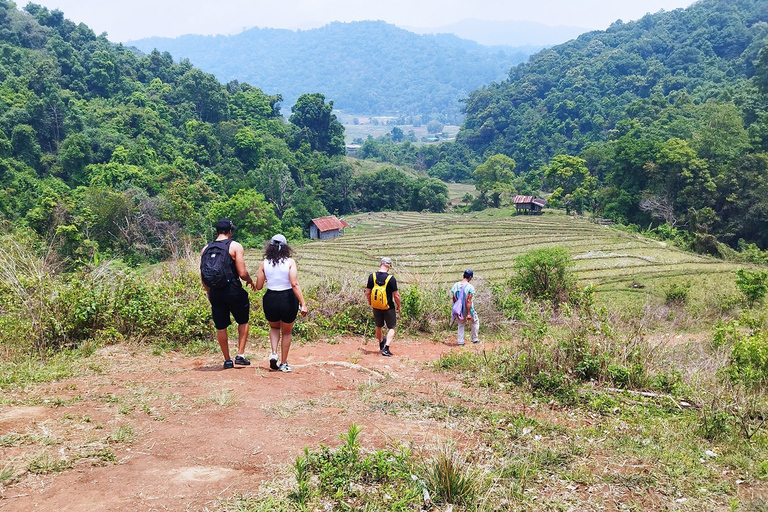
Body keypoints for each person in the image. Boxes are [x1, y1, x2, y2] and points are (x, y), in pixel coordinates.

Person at [200, 219, 256, 369]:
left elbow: (203, 275)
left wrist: (208, 292)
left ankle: (227, 360)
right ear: (230, 231)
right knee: (243, 321)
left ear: (217, 231)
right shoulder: (235, 246)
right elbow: (242, 273)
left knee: (221, 326)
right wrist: (250, 280)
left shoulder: (206, 249)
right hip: (232, 289)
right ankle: (240, 355)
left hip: (215, 292)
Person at [256, 234, 308, 373]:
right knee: (286, 332)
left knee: (274, 328)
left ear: (270, 247)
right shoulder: (290, 262)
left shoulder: (264, 263)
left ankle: (274, 353)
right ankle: (284, 363)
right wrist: (303, 303)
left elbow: (259, 286)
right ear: (286, 247)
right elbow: (294, 284)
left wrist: (267, 278)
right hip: (288, 298)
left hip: (270, 298)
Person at [365, 257, 401, 357]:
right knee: (392, 327)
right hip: (388, 307)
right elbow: (396, 295)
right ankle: (386, 348)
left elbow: (368, 292)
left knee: (378, 326)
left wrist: (370, 302)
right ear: (388, 266)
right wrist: (399, 306)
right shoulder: (391, 279)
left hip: (376, 306)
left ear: (380, 264)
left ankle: (381, 344)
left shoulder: (372, 276)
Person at [451, 270, 480, 346]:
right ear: (470, 277)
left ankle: (460, 342)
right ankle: (474, 339)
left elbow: (454, 299)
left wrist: (457, 307)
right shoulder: (470, 287)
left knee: (461, 324)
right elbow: (468, 301)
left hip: (459, 310)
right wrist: (469, 314)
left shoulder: (455, 285)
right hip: (468, 309)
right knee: (475, 321)